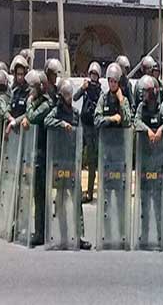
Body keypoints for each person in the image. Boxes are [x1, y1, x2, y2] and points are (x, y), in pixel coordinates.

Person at [44, 79, 92, 250]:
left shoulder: (75, 114)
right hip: (59, 159)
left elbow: (81, 134)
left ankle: (78, 236)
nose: (69, 98)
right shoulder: (56, 112)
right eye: (66, 95)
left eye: (70, 95)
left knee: (76, 198)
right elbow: (46, 122)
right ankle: (62, 235)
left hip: (72, 160)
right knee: (60, 199)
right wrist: (61, 124)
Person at [94, 62, 133, 244]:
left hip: (120, 152)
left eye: (114, 81)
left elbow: (128, 121)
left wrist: (121, 100)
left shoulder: (122, 98)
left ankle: (122, 234)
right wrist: (111, 118)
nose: (112, 84)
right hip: (107, 152)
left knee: (120, 195)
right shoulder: (103, 98)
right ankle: (107, 234)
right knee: (107, 196)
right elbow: (97, 120)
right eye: (109, 81)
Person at [134, 75, 163, 248]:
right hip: (145, 158)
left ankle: (160, 237)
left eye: (147, 92)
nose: (144, 96)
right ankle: (145, 236)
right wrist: (148, 130)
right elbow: (136, 122)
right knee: (144, 202)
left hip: (157, 160)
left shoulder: (160, 107)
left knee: (157, 202)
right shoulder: (142, 107)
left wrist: (160, 130)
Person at [24, 69, 54, 246]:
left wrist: (28, 105)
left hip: (43, 154)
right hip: (36, 152)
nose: (31, 91)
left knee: (41, 195)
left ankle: (41, 232)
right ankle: (39, 230)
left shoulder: (45, 104)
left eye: (33, 88)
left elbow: (34, 117)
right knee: (37, 195)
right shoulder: (38, 102)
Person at [73, 61, 102, 203]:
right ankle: (76, 189)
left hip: (93, 129)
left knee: (91, 161)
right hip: (83, 126)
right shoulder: (86, 87)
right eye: (92, 74)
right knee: (77, 158)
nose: (93, 78)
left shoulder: (100, 92)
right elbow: (75, 97)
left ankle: (90, 192)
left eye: (96, 75)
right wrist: (82, 88)